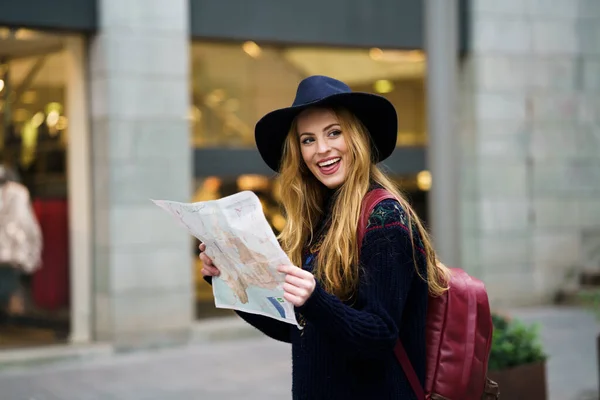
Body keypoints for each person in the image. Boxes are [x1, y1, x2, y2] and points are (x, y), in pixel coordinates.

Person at [199, 75, 451, 399]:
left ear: (356, 137)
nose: (322, 150)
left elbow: (380, 335)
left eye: (334, 132)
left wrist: (315, 299)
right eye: (308, 139)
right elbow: (299, 330)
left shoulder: (384, 220)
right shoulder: (319, 220)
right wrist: (230, 277)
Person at [0, 164, 42, 316]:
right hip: (12, 251)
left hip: (12, 252)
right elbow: (29, 226)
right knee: (10, 283)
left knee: (10, 282)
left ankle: (14, 311)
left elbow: (27, 225)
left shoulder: (17, 194)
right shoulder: (18, 194)